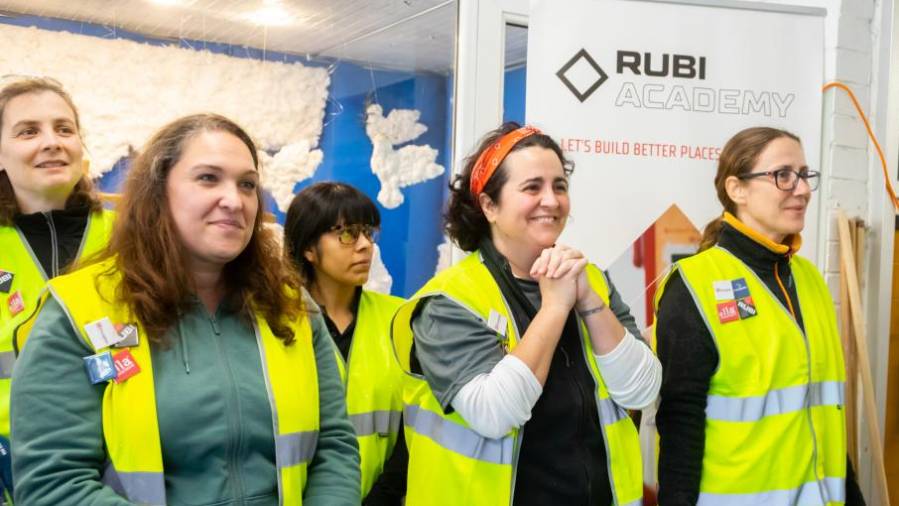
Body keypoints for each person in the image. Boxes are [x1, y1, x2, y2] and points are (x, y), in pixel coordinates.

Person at [11, 113, 359, 505]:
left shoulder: (290, 305)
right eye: (208, 178)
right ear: (158, 193)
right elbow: (54, 483)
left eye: (247, 184)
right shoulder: (78, 311)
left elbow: (334, 446)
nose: (234, 200)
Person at [391, 122, 661, 505]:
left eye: (560, 186)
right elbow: (494, 412)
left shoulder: (590, 279)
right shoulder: (447, 301)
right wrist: (555, 307)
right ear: (489, 206)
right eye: (532, 187)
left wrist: (588, 300)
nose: (551, 200)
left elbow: (642, 389)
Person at [654, 126, 865, 505]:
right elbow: (680, 424)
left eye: (804, 175)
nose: (801, 189)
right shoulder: (695, 285)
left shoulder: (810, 280)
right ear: (737, 190)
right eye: (783, 175)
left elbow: (824, 416)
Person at [0, 76, 114, 501]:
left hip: (123, 463)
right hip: (14, 465)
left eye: (64, 129)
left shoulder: (132, 241)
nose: (52, 142)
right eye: (28, 131)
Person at [284, 182, 407, 505]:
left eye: (368, 232)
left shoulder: (399, 319)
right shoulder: (278, 326)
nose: (366, 246)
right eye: (347, 234)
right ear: (309, 248)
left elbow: (416, 431)